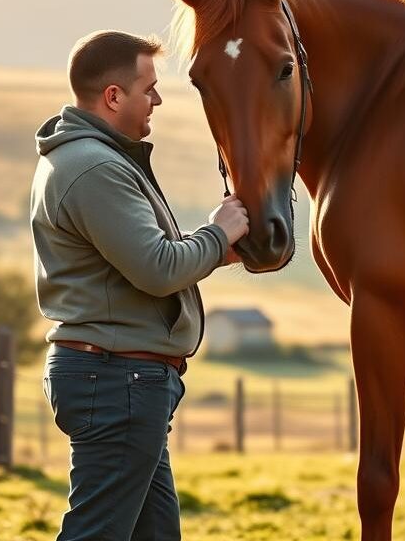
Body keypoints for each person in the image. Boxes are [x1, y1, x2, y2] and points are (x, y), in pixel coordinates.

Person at [29, 30, 248, 540]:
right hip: (117, 380)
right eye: (148, 88)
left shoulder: (87, 159)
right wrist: (217, 234)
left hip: (121, 380)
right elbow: (158, 267)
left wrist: (214, 248)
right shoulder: (95, 167)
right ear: (113, 96)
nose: (158, 99)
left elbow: (147, 260)